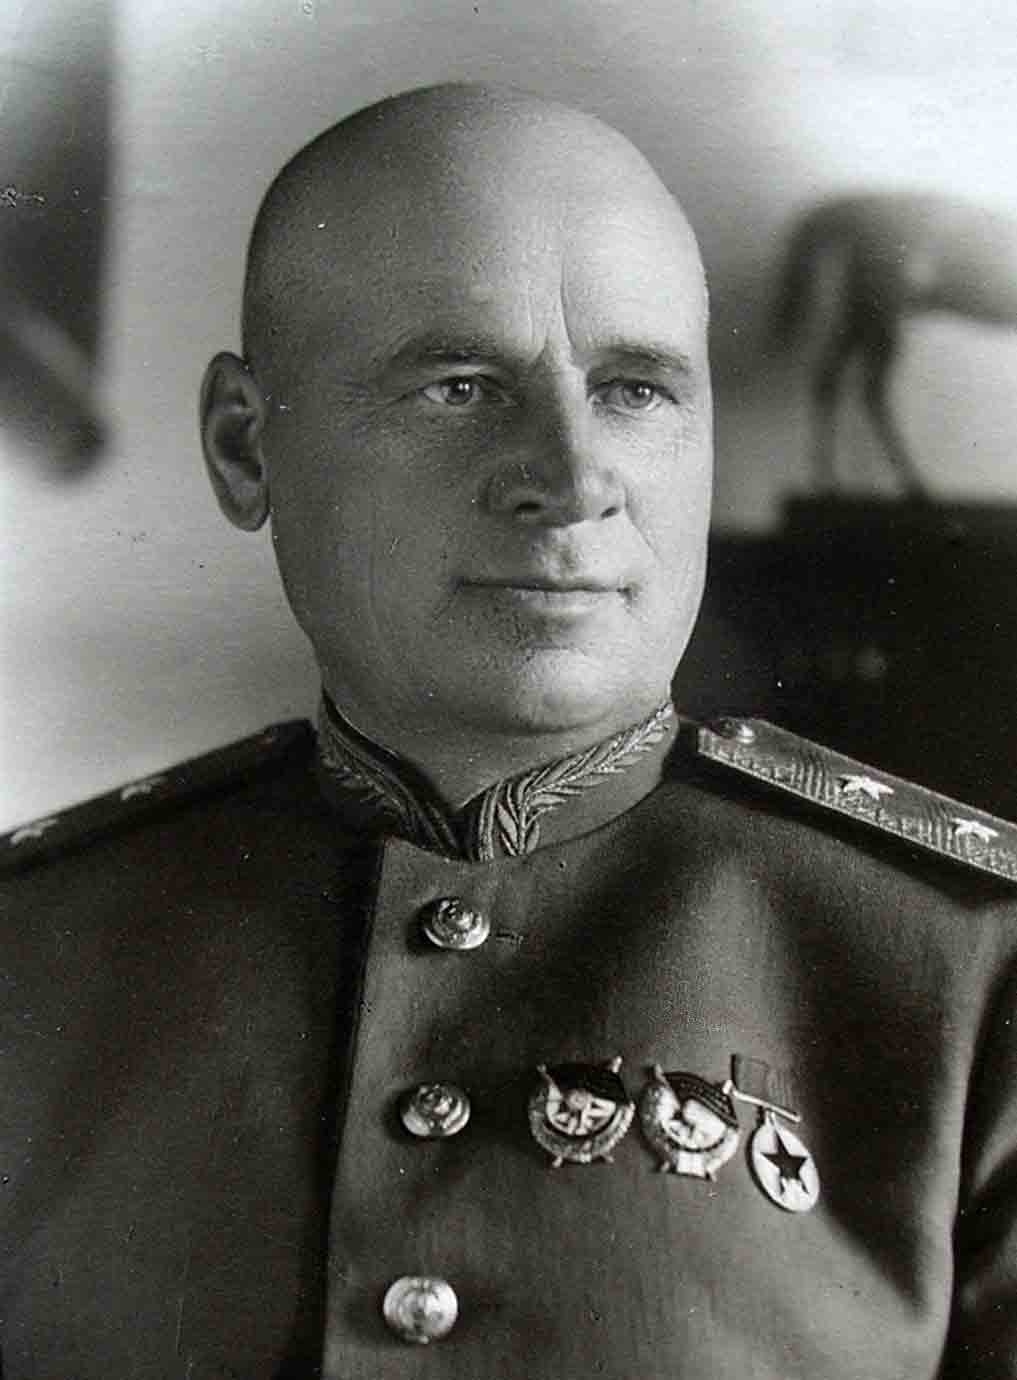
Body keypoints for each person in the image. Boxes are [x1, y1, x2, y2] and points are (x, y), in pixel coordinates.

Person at [2, 82, 1016, 1379]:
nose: (576, 478)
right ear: (246, 449)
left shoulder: (971, 977)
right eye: (461, 386)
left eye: (636, 389)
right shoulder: (30, 957)